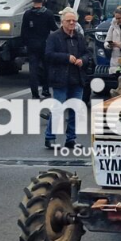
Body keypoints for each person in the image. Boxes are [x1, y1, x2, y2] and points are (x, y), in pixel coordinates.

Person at [45, 8, 91, 149]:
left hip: (77, 78)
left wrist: (83, 60)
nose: (72, 23)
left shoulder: (79, 37)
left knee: (75, 110)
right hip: (60, 78)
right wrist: (66, 58)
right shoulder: (54, 37)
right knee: (58, 108)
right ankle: (50, 137)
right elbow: (48, 55)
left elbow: (87, 54)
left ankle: (71, 139)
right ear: (62, 22)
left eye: (74, 21)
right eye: (69, 21)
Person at [22, 0, 56, 99]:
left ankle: (34, 93)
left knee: (33, 69)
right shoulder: (48, 14)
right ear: (43, 0)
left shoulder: (27, 14)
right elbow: (54, 28)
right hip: (45, 44)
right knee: (46, 68)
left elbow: (23, 32)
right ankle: (46, 90)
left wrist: (26, 43)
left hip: (32, 45)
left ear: (33, 1)